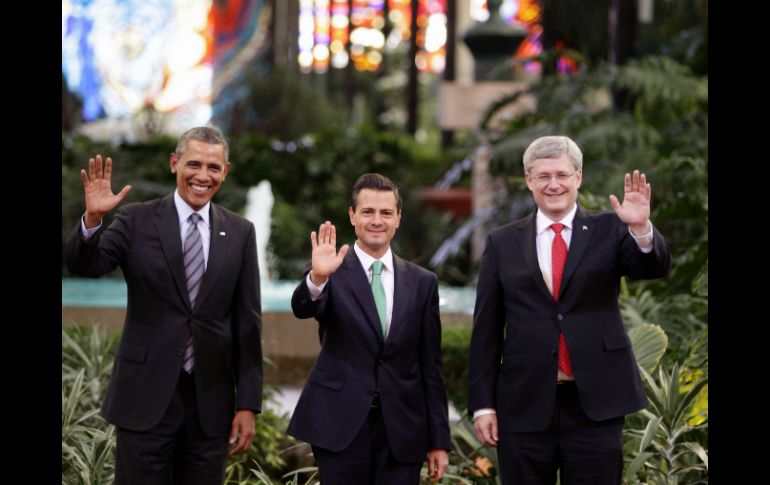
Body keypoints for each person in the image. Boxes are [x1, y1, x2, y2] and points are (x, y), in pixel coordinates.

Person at [468, 135, 671, 485]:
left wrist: (640, 229)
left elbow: (652, 268)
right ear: (529, 180)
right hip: (525, 403)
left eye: (562, 174)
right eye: (543, 176)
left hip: (595, 403)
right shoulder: (503, 241)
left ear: (578, 177)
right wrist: (484, 405)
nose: (553, 184)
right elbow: (486, 330)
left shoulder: (611, 228)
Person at [65, 126, 263, 485]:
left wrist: (247, 404)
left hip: (210, 406)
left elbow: (247, 326)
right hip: (144, 399)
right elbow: (86, 267)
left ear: (226, 171)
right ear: (174, 163)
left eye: (213, 167)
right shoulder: (135, 220)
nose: (203, 176)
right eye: (194, 164)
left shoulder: (240, 232)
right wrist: (92, 221)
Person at [287, 173, 451, 484]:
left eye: (386, 212)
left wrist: (439, 440)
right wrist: (317, 280)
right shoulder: (330, 270)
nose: (377, 220)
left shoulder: (422, 282)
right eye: (368, 211)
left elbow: (431, 367)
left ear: (398, 218)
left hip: (402, 428)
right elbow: (303, 307)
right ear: (352, 216)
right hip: (340, 424)